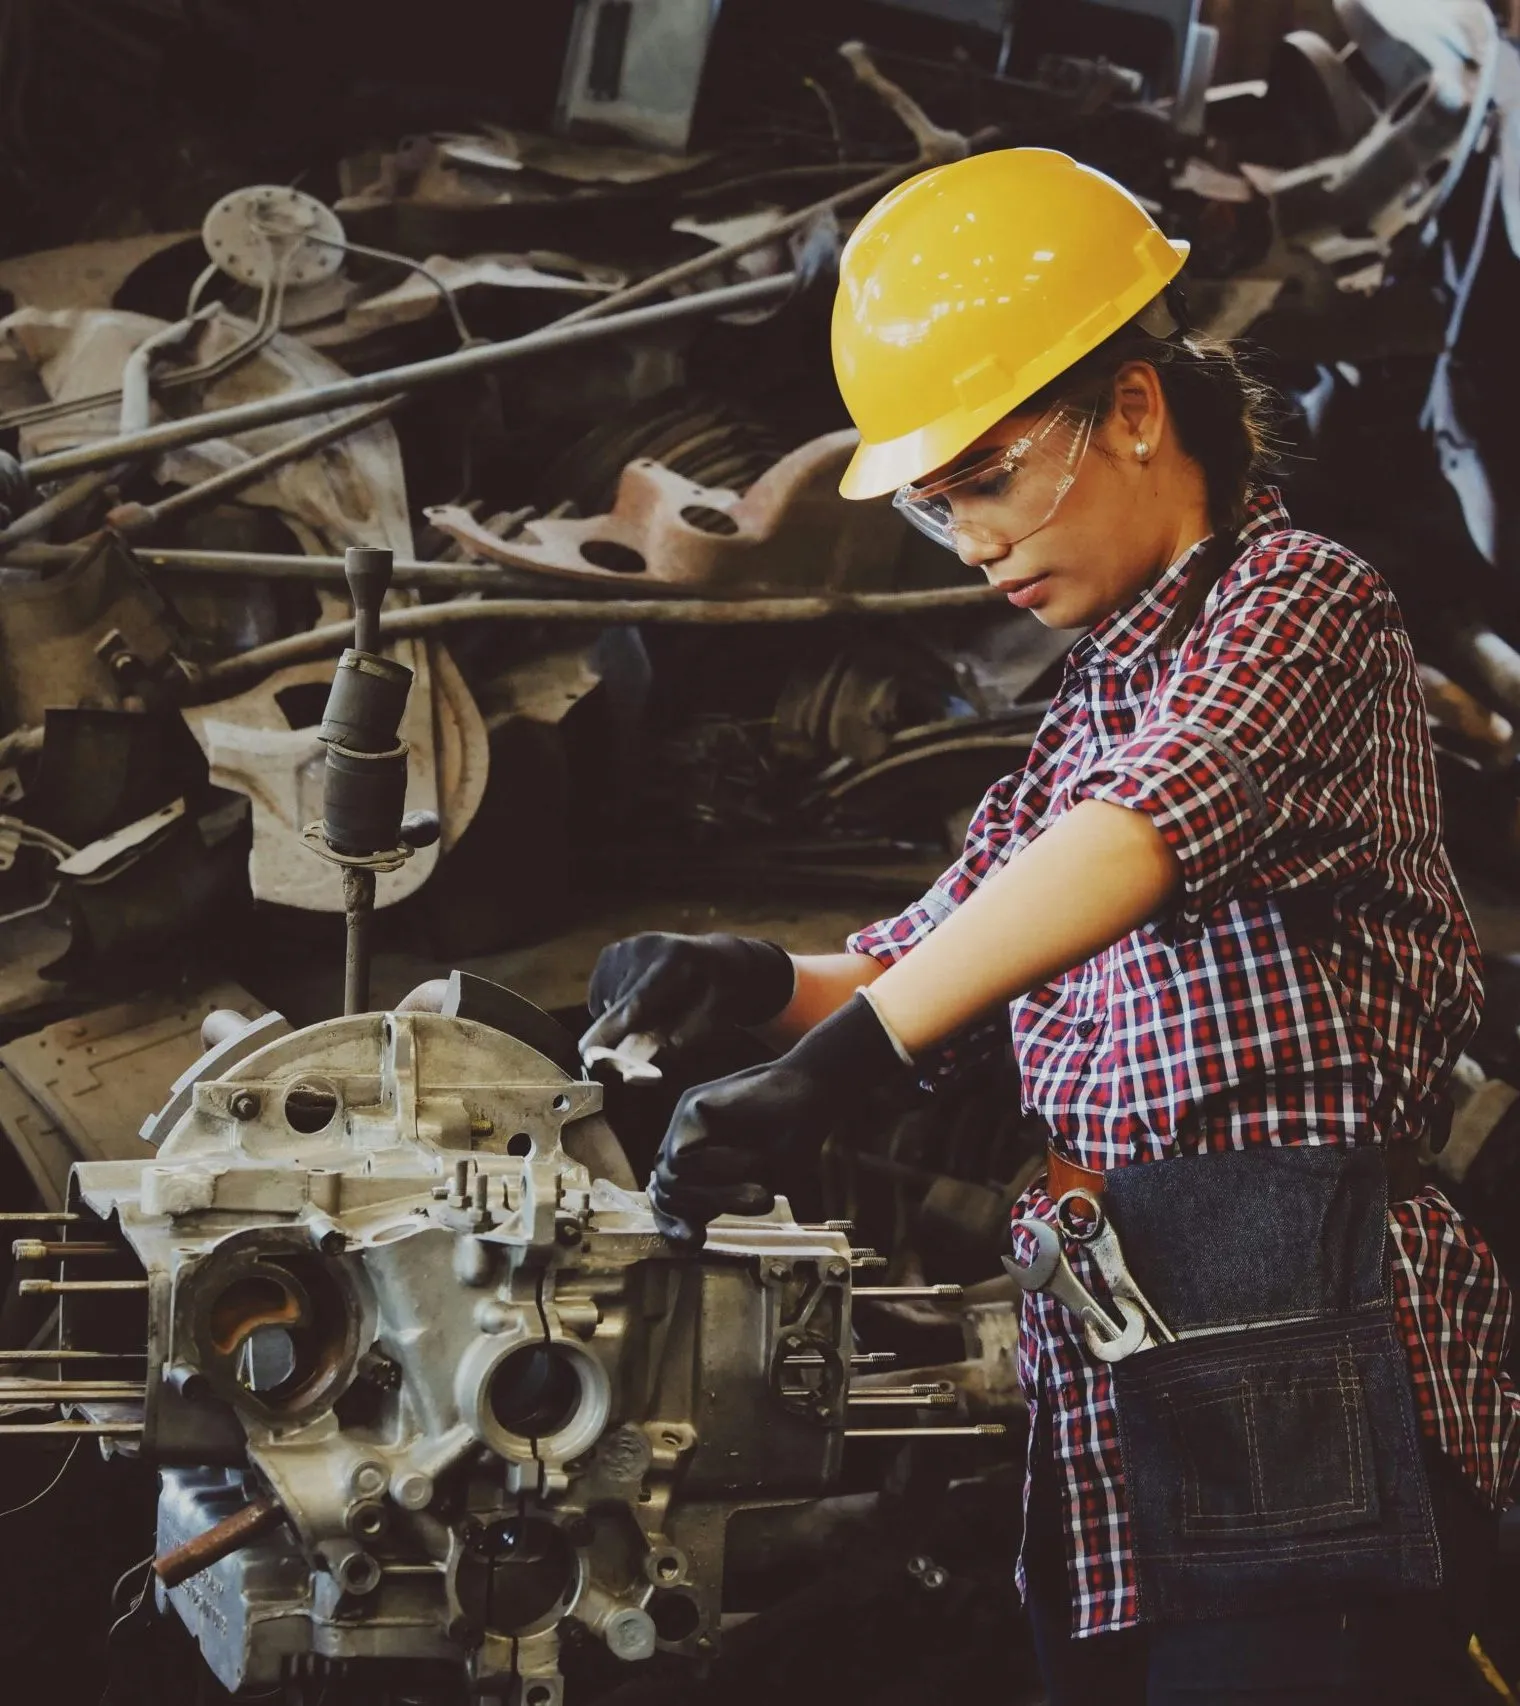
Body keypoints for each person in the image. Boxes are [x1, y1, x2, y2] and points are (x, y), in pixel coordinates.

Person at [580, 150, 1519, 1703]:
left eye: (994, 477)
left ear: (1137, 409)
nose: (976, 545)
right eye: (943, 509)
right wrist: (747, 983)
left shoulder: (1301, 604)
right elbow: (931, 948)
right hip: (1122, 1341)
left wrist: (853, 1060)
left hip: (1302, 1330)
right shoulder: (1091, 706)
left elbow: (1142, 833)